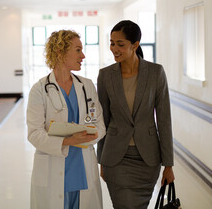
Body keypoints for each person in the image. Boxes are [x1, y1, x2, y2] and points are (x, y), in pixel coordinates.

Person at [97, 20, 175, 208]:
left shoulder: (156, 72)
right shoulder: (105, 75)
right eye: (112, 43)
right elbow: (103, 120)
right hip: (116, 159)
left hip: (147, 160)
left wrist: (168, 165)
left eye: (120, 44)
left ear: (135, 45)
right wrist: (101, 159)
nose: (114, 48)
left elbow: (164, 120)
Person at [27, 30, 106, 209]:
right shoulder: (39, 90)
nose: (83, 55)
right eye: (78, 50)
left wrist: (90, 135)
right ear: (60, 52)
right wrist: (69, 140)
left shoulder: (86, 86)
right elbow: (34, 134)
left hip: (83, 169)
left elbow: (100, 125)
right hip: (52, 170)